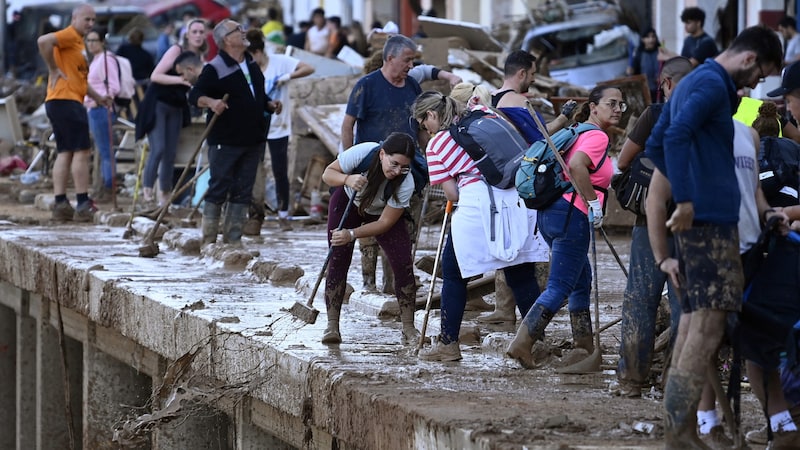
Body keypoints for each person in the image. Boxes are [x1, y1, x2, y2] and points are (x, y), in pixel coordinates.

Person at [643, 25, 782, 448]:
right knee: (704, 328)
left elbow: (656, 141)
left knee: (693, 326)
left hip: (704, 226)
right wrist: (687, 199)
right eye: (761, 74)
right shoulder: (710, 83)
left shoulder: (695, 82)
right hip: (711, 228)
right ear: (749, 59)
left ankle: (680, 431)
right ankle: (680, 434)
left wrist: (691, 194)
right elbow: (675, 135)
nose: (757, 84)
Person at [411, 90, 548, 361]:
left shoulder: (437, 143)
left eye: (422, 122)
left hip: (477, 205)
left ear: (430, 115)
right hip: (516, 198)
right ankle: (537, 341)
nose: (424, 128)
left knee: (453, 273)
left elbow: (452, 195)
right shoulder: (483, 115)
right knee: (519, 273)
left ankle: (448, 343)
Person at [505, 85, 620, 369]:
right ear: (594, 107)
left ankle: (583, 345)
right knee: (560, 286)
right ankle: (521, 344)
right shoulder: (596, 136)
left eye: (621, 105)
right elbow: (578, 167)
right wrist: (593, 204)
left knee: (581, 280)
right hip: (573, 215)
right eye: (612, 104)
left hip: (551, 213)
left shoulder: (578, 131)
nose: (618, 110)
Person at [342, 34, 460, 293]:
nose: (410, 66)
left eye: (413, 61)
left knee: (403, 225)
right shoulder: (366, 86)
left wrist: (431, 157)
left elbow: (420, 128)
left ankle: (395, 282)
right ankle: (369, 286)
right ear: (390, 58)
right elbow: (348, 124)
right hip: (374, 167)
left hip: (409, 167)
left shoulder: (411, 87)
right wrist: (349, 162)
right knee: (369, 225)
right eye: (407, 60)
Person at [614, 56, 693, 399]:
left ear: (667, 83)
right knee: (684, 306)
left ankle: (631, 379)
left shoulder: (656, 115)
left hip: (651, 221)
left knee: (640, 300)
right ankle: (673, 383)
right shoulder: (714, 120)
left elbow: (622, 161)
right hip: (694, 224)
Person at [320, 132, 421, 345]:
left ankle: (409, 327)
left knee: (403, 263)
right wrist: (347, 178)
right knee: (338, 257)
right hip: (349, 200)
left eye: (403, 167)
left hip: (381, 211)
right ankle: (332, 325)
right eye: (393, 164)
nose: (396, 171)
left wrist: (352, 234)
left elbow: (385, 223)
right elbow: (328, 173)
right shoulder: (363, 153)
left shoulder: (406, 181)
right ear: (382, 153)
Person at [187, 20, 281, 247]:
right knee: (219, 185)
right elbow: (195, 95)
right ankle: (209, 241)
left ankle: (233, 240)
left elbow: (256, 94)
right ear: (227, 39)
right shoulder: (215, 67)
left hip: (253, 138)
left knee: (243, 190)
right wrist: (211, 102)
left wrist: (269, 104)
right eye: (238, 30)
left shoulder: (250, 62)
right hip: (226, 139)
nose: (244, 32)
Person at [38, 4, 113, 222]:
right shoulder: (69, 36)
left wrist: (98, 98)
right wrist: (52, 68)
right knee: (82, 151)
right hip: (66, 100)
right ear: (74, 18)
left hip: (62, 100)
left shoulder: (79, 44)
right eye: (86, 19)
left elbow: (80, 79)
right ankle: (82, 203)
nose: (90, 24)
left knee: (65, 151)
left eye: (93, 20)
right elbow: (43, 41)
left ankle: (61, 203)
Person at [242, 30, 314, 235]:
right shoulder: (248, 68)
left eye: (251, 55)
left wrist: (288, 76)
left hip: (279, 125)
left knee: (280, 170)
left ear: (257, 51)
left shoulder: (279, 62)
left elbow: (309, 67)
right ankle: (255, 215)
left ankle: (284, 214)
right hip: (255, 125)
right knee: (255, 170)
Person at [139, 18, 207, 208]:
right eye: (194, 32)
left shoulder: (200, 58)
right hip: (159, 102)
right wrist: (181, 81)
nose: (198, 36)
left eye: (202, 32)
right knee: (158, 148)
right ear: (187, 34)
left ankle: (164, 195)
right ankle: (147, 193)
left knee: (171, 153)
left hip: (177, 105)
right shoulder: (176, 50)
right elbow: (155, 75)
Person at [491, 50, 576, 146]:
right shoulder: (518, 101)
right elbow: (540, 135)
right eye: (532, 74)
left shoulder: (490, 98)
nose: (533, 79)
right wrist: (564, 116)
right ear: (522, 73)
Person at [84, 27, 120, 204]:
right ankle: (103, 186)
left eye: (94, 40)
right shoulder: (96, 60)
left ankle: (109, 186)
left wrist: (104, 99)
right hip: (93, 107)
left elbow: (114, 85)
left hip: (101, 108)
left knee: (106, 151)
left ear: (102, 42)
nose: (91, 44)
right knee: (102, 149)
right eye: (88, 41)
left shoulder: (107, 59)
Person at [627, 27, 662, 103]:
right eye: (648, 37)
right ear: (643, 39)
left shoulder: (661, 52)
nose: (651, 40)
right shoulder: (639, 54)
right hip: (645, 91)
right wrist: (631, 72)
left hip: (660, 91)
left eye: (653, 36)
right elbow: (635, 73)